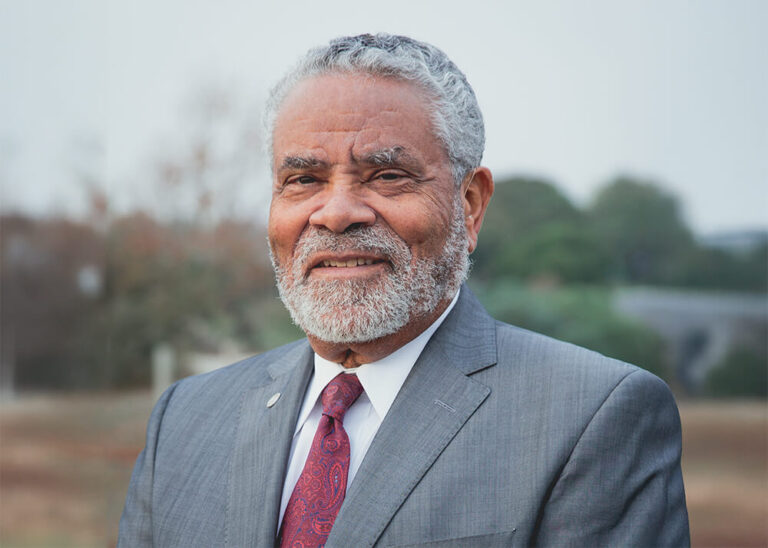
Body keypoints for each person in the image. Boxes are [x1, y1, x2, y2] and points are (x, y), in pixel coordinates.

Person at [118, 34, 689, 547]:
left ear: (470, 205)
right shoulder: (185, 418)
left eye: (387, 175)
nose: (336, 213)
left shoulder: (592, 417)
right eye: (303, 180)